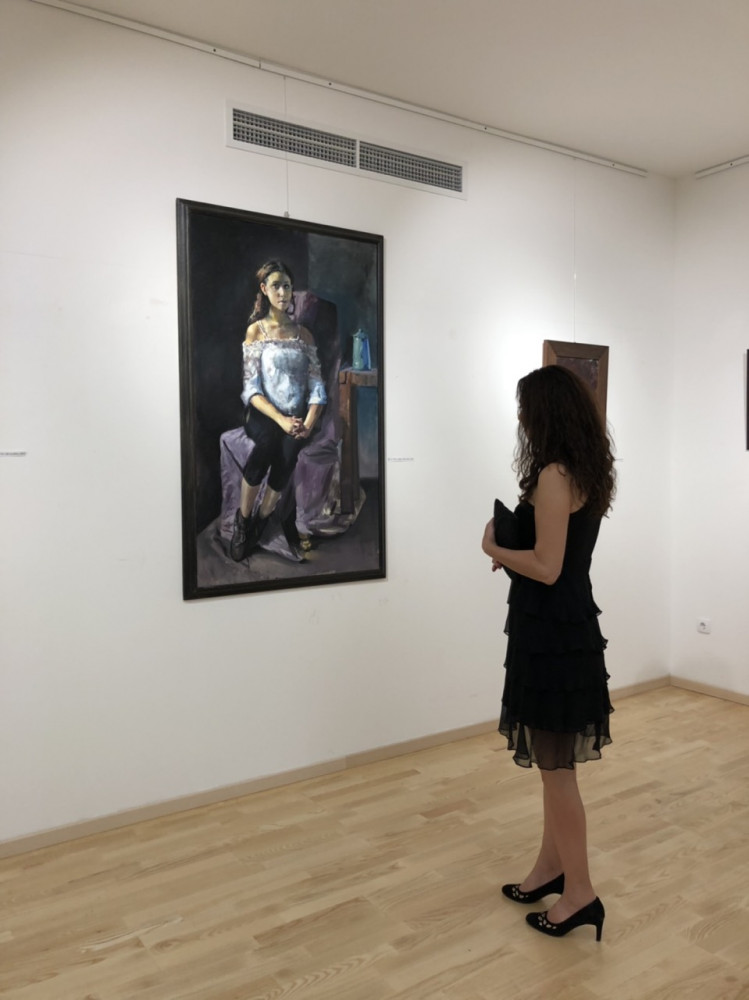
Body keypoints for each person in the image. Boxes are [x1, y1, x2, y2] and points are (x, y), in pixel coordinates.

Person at [481, 364, 616, 941]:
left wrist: (493, 547)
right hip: (560, 628)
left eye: (525, 409)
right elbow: (552, 555)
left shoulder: (556, 475)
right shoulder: (582, 469)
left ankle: (580, 893)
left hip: (554, 639)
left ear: (545, 414)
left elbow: (548, 566)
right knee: (551, 766)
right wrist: (518, 552)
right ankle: (549, 868)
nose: (520, 419)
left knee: (558, 774)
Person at [230, 260, 327, 562]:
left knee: (288, 451)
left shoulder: (303, 335)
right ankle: (243, 521)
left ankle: (262, 518)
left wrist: (308, 421)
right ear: (264, 289)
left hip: (296, 416)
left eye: (287, 286)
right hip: (263, 414)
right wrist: (281, 419)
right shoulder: (256, 331)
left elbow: (317, 387)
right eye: (276, 286)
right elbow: (251, 390)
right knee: (268, 443)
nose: (283, 292)